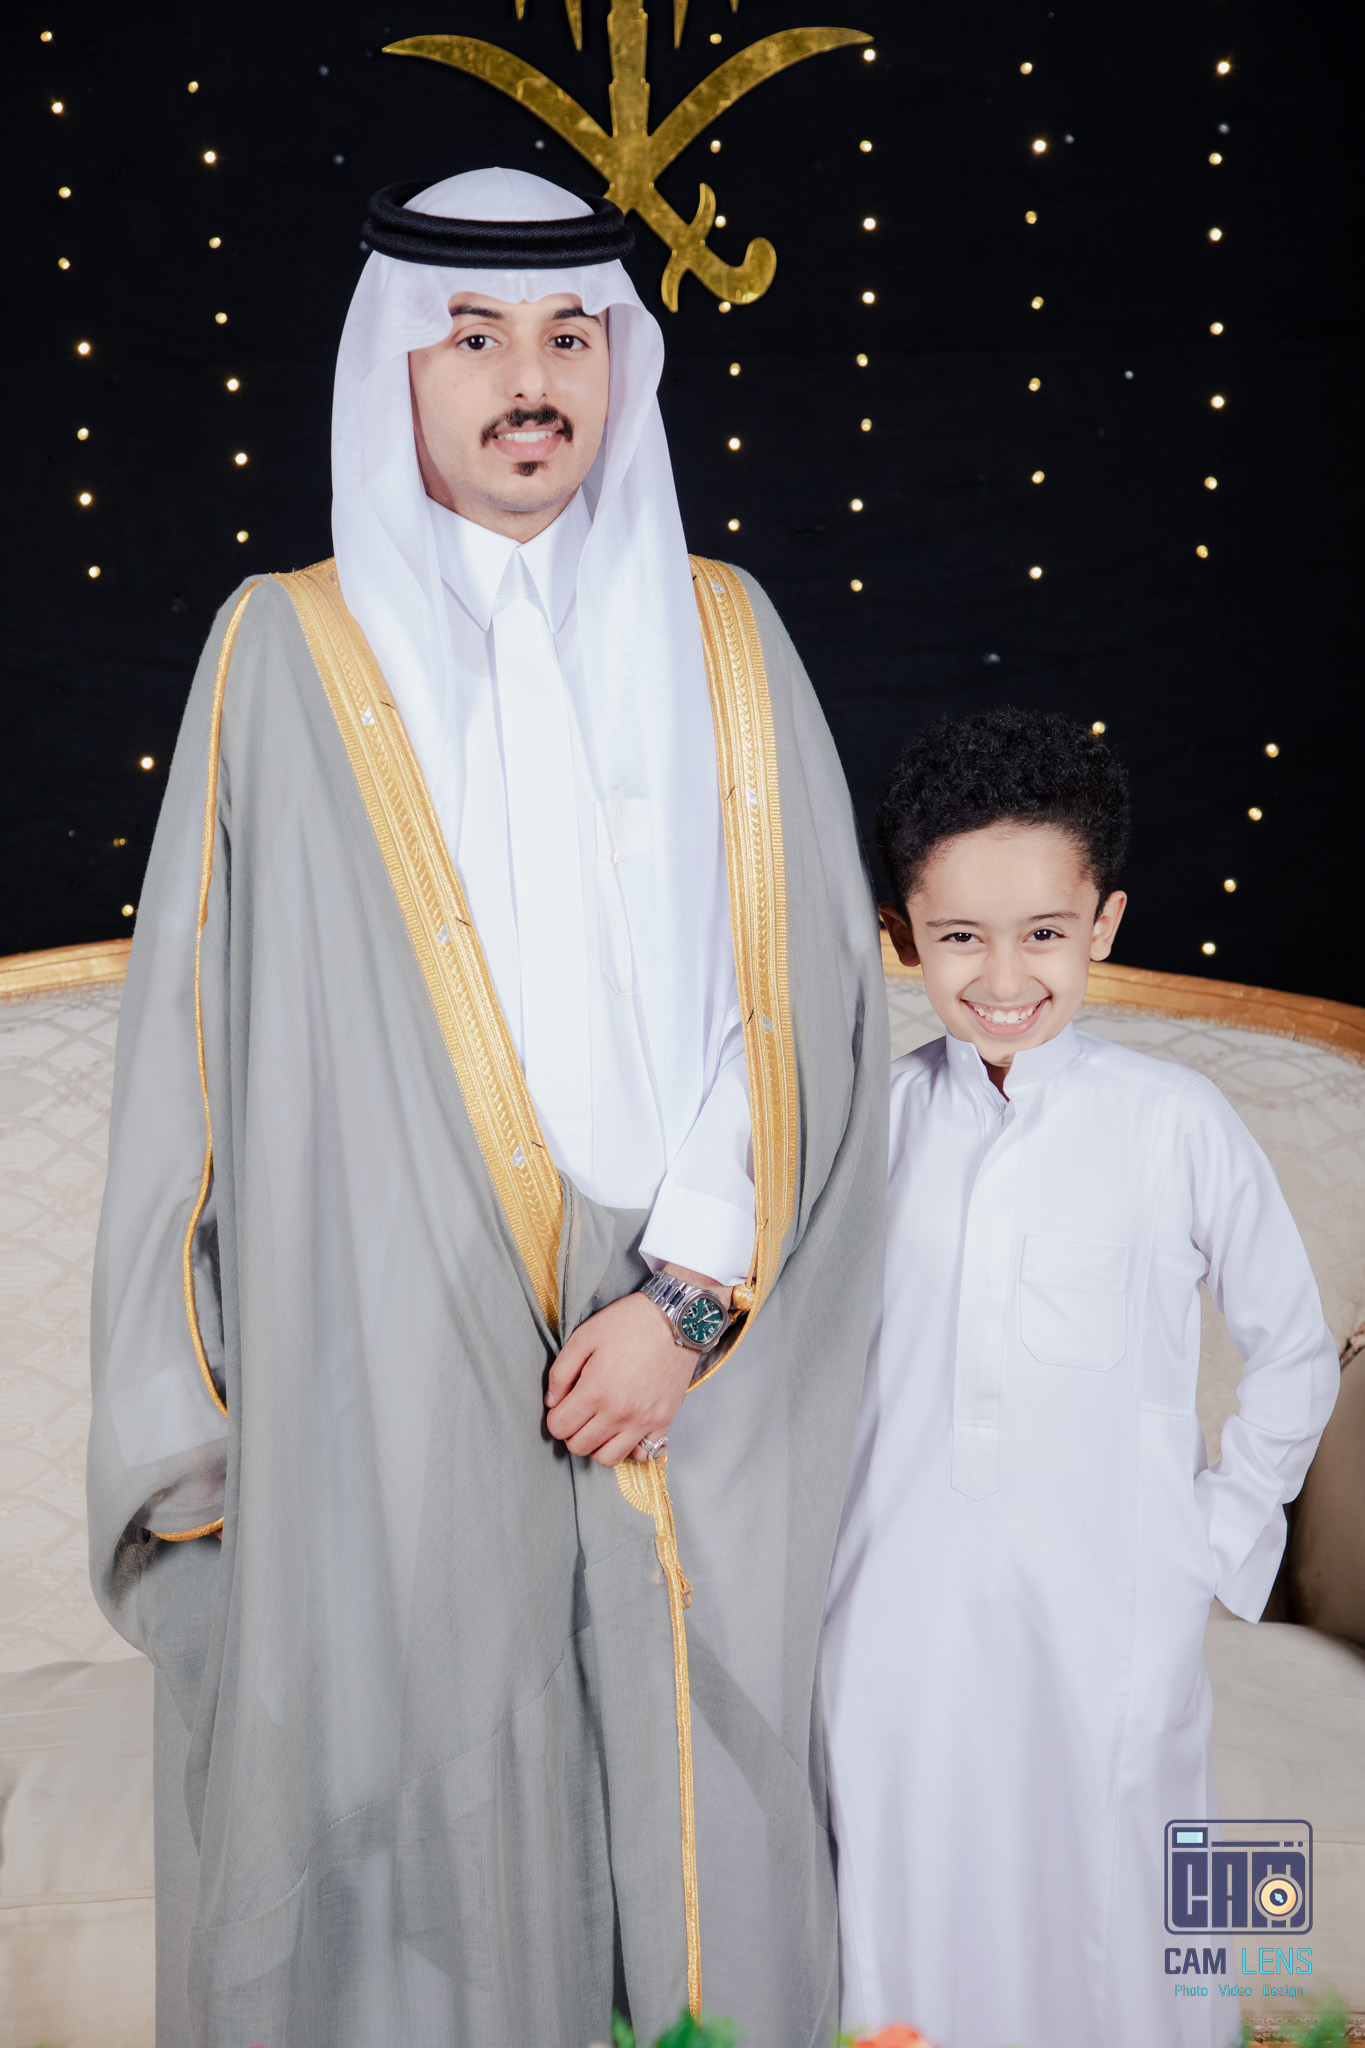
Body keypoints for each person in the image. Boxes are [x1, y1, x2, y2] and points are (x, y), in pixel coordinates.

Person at [87, 168, 887, 2048]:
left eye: (568, 336)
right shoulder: (283, 651)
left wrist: (687, 1304)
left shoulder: (727, 636)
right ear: (399, 369)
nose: (530, 380)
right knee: (415, 1861)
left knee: (694, 1849)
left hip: (688, 1359)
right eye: (474, 338)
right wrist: (206, 1454)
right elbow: (187, 1071)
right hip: (388, 1369)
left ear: (619, 368)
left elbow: (799, 1004)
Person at [821, 706, 1339, 2048]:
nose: (1004, 975)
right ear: (903, 939)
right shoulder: (871, 1125)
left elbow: (1293, 1348)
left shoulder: (1174, 1123)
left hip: (1112, 1590)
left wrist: (1214, 1535)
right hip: (899, 1592)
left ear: (1102, 924)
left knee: (1137, 1886)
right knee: (900, 1866)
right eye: (960, 937)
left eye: (1043, 932)